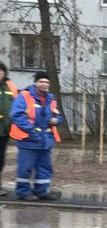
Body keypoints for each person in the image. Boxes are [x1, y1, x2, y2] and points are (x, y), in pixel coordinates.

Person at [9, 71, 63, 201]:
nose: (44, 84)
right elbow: (17, 115)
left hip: (45, 140)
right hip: (29, 139)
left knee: (45, 168)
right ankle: (23, 192)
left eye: (47, 82)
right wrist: (32, 132)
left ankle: (41, 191)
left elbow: (57, 115)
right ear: (35, 82)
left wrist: (57, 120)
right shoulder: (25, 96)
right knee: (25, 168)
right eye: (41, 81)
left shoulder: (51, 98)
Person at [0, 62, 18, 197]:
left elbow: (16, 104)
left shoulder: (9, 86)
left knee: (1, 159)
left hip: (4, 130)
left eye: (1, 71)